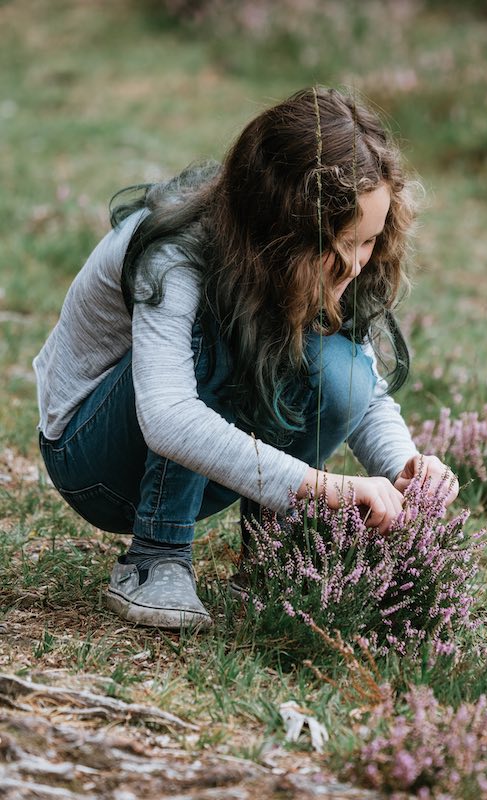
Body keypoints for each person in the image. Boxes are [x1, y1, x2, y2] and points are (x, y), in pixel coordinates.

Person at [33, 87, 459, 631]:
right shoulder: (177, 252)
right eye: (340, 245)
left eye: (369, 241)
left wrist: (404, 466)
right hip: (94, 458)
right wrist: (325, 489)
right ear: (283, 233)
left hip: (191, 453)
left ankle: (269, 558)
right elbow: (166, 418)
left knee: (341, 365)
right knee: (221, 325)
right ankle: (154, 558)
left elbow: (361, 386)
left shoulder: (332, 259)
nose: (355, 264)